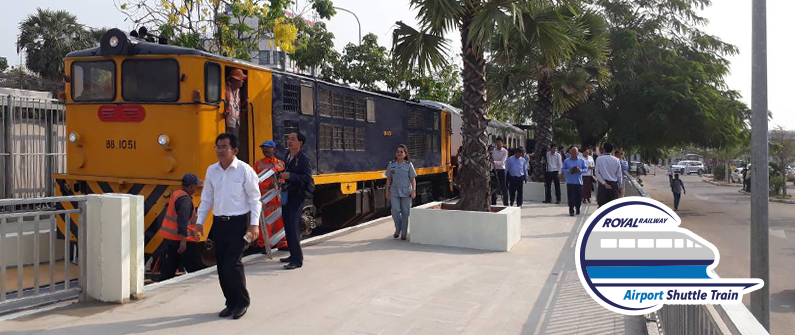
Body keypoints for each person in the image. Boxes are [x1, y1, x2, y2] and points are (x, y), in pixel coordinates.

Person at [196, 133, 261, 320]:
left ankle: (242, 302)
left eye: (225, 147)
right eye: (218, 147)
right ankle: (230, 302)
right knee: (222, 266)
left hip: (238, 223)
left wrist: (254, 225)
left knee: (232, 264)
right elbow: (207, 198)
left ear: (235, 150)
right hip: (219, 224)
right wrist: (200, 221)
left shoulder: (245, 170)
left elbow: (255, 199)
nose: (220, 150)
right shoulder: (212, 171)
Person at [158, 173, 204, 281]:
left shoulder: (177, 194)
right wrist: (183, 242)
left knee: (168, 270)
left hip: (171, 239)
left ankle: (162, 285)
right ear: (191, 186)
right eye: (196, 185)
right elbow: (182, 221)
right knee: (196, 270)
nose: (197, 188)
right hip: (183, 241)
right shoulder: (185, 200)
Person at [279, 132, 313, 269]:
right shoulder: (287, 156)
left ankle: (297, 260)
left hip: (297, 196)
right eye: (288, 139)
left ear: (300, 143)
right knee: (287, 225)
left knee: (293, 226)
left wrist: (291, 176)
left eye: (293, 139)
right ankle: (292, 254)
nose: (289, 141)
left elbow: (307, 177)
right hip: (287, 194)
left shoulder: (304, 159)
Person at [253, 140, 287, 251]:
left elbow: (285, 178)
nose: (265, 150)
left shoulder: (281, 164)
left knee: (280, 224)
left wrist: (281, 182)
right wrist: (269, 185)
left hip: (278, 199)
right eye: (263, 148)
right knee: (264, 225)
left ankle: (283, 244)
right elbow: (254, 182)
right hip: (265, 200)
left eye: (267, 147)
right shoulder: (258, 164)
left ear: (274, 149)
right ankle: (263, 245)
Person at [385, 144, 417, 240]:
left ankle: (404, 232)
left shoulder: (408, 165)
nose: (399, 153)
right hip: (394, 190)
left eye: (401, 152)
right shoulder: (391, 164)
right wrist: (387, 191)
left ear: (405, 154)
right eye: (398, 151)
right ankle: (397, 229)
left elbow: (412, 179)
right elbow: (388, 179)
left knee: (405, 212)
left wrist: (414, 190)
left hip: (406, 191)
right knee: (395, 210)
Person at [595, 142, 623, 207]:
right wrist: (620, 185)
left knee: (602, 204)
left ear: (604, 149)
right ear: (612, 150)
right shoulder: (616, 160)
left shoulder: (599, 159)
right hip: (613, 184)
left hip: (603, 185)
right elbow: (619, 175)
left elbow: (597, 173)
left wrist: (604, 183)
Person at [563, 147, 588, 216]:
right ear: (570, 152)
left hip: (578, 181)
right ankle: (571, 210)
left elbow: (585, 169)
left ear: (578, 153)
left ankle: (577, 208)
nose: (574, 153)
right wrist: (570, 170)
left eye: (575, 151)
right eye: (572, 151)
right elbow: (563, 169)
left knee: (578, 196)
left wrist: (580, 170)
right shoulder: (566, 161)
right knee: (570, 197)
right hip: (570, 182)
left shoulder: (581, 161)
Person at [224, 69, 246, 138]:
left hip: (236, 121)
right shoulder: (225, 89)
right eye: (241, 79)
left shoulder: (238, 91)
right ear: (234, 80)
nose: (242, 81)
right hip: (228, 122)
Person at [491, 138, 509, 206]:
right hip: (494, 170)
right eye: (496, 142)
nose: (498, 144)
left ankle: (506, 203)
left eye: (499, 142)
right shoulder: (493, 151)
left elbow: (502, 162)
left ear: (502, 143)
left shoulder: (505, 151)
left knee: (503, 187)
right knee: (493, 187)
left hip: (501, 170)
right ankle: (493, 203)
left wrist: (494, 162)